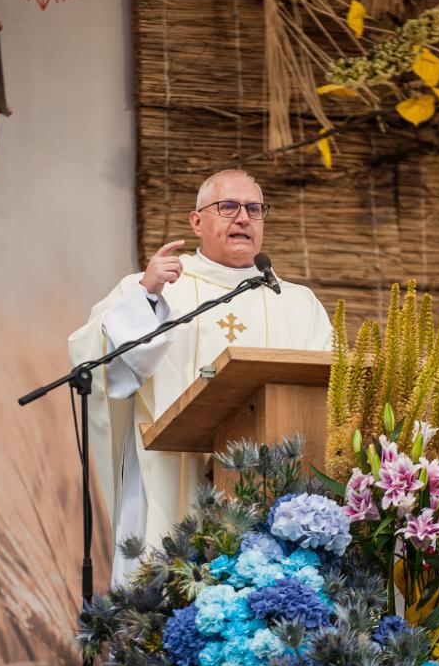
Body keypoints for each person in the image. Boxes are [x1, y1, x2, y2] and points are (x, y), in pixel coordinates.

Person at [68, 168, 333, 587]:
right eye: (228, 207)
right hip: (170, 473)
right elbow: (104, 364)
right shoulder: (158, 286)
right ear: (196, 221)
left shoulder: (299, 304)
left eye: (254, 209)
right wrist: (147, 298)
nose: (243, 218)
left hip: (271, 486)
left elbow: (325, 392)